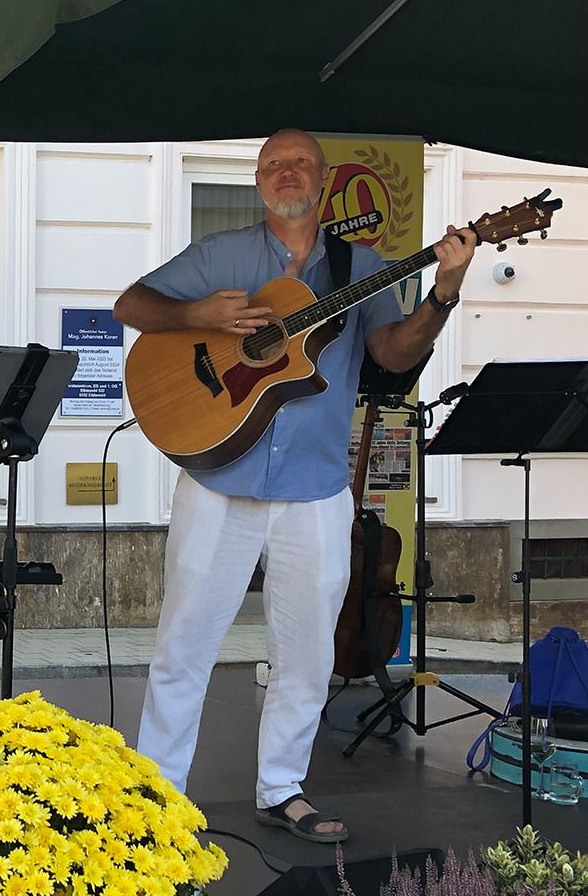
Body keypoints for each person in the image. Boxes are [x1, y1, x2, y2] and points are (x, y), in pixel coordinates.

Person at [113, 128, 475, 843]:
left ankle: (281, 787)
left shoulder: (361, 267)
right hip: (219, 478)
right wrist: (198, 315)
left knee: (308, 655)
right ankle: (156, 797)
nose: (287, 172)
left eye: (300, 163)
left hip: (315, 487)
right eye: (273, 164)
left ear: (324, 179)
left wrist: (444, 291)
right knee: (184, 645)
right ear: (258, 181)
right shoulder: (222, 255)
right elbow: (132, 305)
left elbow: (392, 352)